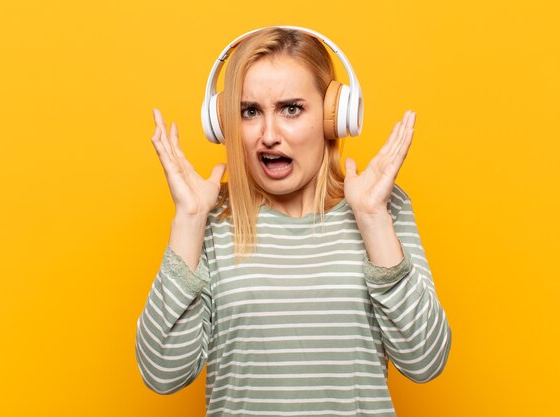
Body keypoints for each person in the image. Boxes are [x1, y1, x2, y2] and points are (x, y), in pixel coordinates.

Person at [135, 26, 451, 416]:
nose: (268, 135)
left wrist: (372, 219)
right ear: (226, 124)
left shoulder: (382, 207)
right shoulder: (210, 220)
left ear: (335, 116)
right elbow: (161, 374)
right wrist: (189, 220)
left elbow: (425, 361)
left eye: (291, 109)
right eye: (250, 112)